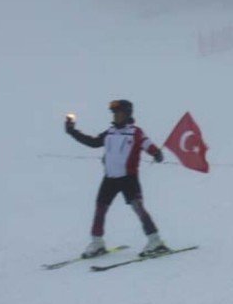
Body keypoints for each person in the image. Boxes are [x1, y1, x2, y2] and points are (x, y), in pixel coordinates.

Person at [65, 100, 169, 258]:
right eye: (114, 113)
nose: (115, 116)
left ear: (127, 114)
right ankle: (97, 242)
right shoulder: (110, 132)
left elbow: (149, 146)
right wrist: (73, 132)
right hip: (110, 178)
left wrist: (156, 153)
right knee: (100, 208)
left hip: (129, 179)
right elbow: (93, 142)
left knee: (138, 209)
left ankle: (155, 241)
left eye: (118, 113)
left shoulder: (136, 132)